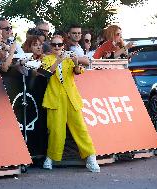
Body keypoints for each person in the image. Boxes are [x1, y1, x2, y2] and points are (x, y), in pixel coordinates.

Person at [41, 35, 100, 172]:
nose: (57, 47)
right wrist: (59, 60)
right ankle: (51, 157)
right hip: (54, 98)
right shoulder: (46, 59)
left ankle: (91, 157)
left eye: (59, 44)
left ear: (63, 45)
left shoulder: (69, 57)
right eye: (54, 44)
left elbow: (79, 71)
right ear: (50, 45)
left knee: (80, 128)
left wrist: (76, 61)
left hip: (71, 98)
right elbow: (47, 73)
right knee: (56, 130)